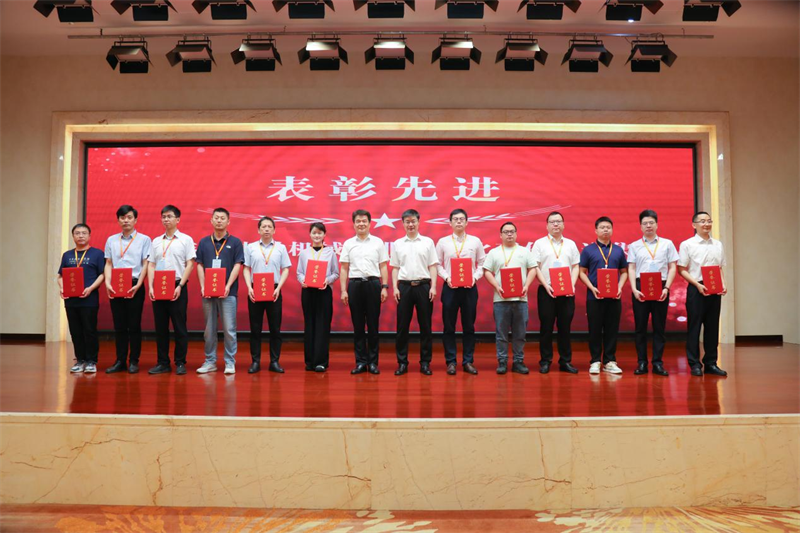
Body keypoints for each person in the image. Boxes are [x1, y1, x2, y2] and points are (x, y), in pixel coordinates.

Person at [627, 209, 679, 377]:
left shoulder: (667, 244)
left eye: (651, 223)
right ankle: (642, 362)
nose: (648, 226)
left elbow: (672, 267)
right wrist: (634, 289)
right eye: (645, 223)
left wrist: (667, 288)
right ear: (640, 226)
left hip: (661, 286)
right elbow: (631, 268)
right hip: (640, 286)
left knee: (659, 327)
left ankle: (657, 362)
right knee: (640, 327)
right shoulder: (634, 245)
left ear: (657, 224)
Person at [678, 211, 728, 377]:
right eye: (702, 221)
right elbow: (681, 269)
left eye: (709, 221)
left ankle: (711, 363)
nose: (706, 224)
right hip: (696, 288)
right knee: (694, 327)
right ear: (694, 225)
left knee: (712, 327)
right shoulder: (687, 244)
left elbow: (719, 268)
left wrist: (723, 284)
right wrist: (697, 285)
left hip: (714, 288)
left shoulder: (718, 244)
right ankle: (694, 364)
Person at [147, 205, 196, 375]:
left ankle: (180, 362)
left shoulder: (186, 240)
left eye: (169, 216)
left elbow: (190, 264)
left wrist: (180, 285)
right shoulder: (156, 241)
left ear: (178, 219)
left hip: (177, 286)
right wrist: (151, 286)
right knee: (161, 327)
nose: (166, 219)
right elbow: (151, 264)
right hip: (159, 287)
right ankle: (163, 362)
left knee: (179, 327)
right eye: (163, 217)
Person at [483, 222, 538, 375]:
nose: (509, 234)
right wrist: (496, 286)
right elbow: (486, 271)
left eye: (512, 231)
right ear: (500, 235)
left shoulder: (524, 251)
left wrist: (526, 285)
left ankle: (518, 361)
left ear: (516, 234)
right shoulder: (494, 252)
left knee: (520, 334)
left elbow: (533, 269)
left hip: (521, 299)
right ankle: (502, 361)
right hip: (500, 300)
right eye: (506, 232)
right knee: (501, 334)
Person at [102, 205, 152, 374]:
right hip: (116, 284)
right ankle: (120, 360)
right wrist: (108, 283)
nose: (126, 221)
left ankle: (134, 361)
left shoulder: (144, 239)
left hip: (135, 284)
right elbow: (108, 263)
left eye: (129, 217)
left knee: (134, 325)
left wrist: (139, 284)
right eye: (122, 218)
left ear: (135, 220)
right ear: (118, 220)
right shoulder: (111, 240)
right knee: (119, 326)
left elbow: (146, 263)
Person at [435, 208, 485, 375]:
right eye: (455, 219)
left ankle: (468, 361)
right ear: (450, 223)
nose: (458, 221)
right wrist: (447, 277)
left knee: (469, 326)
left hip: (469, 289)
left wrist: (475, 277)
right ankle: (451, 362)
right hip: (450, 288)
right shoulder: (443, 242)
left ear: (466, 222)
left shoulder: (475, 241)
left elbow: (482, 263)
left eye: (461, 219)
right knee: (449, 326)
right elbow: (437, 264)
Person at [195, 208, 245, 375]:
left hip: (228, 293)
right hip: (208, 293)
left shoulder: (235, 242)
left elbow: (238, 265)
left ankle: (230, 362)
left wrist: (228, 285)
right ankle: (210, 361)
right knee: (209, 329)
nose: (219, 220)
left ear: (228, 221)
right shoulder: (204, 242)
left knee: (229, 329)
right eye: (216, 217)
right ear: (211, 220)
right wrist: (203, 286)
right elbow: (200, 264)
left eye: (222, 218)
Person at [339, 209, 389, 375]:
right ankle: (360, 362)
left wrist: (384, 286)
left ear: (369, 223)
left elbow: (383, 266)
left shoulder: (378, 242)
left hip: (373, 284)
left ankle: (373, 362)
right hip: (355, 285)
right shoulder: (348, 243)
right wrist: (343, 290)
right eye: (358, 221)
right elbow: (344, 268)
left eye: (364, 221)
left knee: (373, 326)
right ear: (354, 224)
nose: (361, 224)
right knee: (358, 326)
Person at [391, 209, 439, 376]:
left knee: (425, 326)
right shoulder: (397, 243)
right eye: (407, 222)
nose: (410, 224)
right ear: (403, 224)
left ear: (419, 222)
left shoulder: (428, 242)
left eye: (413, 221)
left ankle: (425, 363)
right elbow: (395, 268)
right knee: (402, 327)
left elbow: (433, 266)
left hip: (423, 286)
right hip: (404, 287)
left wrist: (433, 287)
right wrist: (395, 287)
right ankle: (402, 363)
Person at [532, 211, 581, 374]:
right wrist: (546, 285)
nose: (556, 224)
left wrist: (571, 285)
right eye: (552, 222)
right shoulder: (539, 244)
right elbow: (535, 267)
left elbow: (575, 266)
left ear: (563, 224)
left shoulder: (570, 244)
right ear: (547, 225)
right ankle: (545, 361)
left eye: (559, 221)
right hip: (546, 291)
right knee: (546, 327)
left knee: (565, 327)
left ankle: (565, 361)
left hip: (566, 292)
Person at [578, 216, 628, 375]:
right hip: (595, 297)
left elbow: (624, 272)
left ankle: (610, 361)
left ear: (612, 230)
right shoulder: (588, 250)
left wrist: (619, 287)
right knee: (594, 329)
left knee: (612, 329)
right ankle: (595, 361)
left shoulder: (618, 250)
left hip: (614, 297)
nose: (605, 230)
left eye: (608, 227)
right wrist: (592, 288)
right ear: (596, 230)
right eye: (602, 227)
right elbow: (581, 272)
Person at [243, 216, 291, 374]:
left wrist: (279, 288)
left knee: (275, 328)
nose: (266, 229)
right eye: (263, 227)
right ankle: (255, 362)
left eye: (269, 226)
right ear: (258, 230)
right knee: (255, 328)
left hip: (274, 290)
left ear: (274, 230)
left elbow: (286, 269)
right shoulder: (250, 247)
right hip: (255, 290)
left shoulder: (280, 248)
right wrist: (249, 287)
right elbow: (246, 268)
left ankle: (274, 362)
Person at [58, 223, 105, 374]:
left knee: (89, 330)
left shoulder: (97, 254)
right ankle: (80, 360)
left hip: (89, 299)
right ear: (73, 236)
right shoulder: (67, 255)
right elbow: (60, 276)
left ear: (89, 236)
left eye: (84, 233)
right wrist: (62, 288)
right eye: (77, 233)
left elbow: (102, 274)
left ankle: (91, 361)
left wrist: (90, 288)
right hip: (71, 300)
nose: (80, 236)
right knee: (75, 331)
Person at [296, 222, 340, 372]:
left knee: (322, 325)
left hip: (324, 291)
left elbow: (336, 273)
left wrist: (327, 280)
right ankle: (309, 361)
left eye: (320, 233)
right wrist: (303, 281)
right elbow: (299, 272)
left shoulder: (330, 253)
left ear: (324, 235)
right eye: (314, 233)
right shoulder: (304, 253)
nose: (317, 235)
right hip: (308, 291)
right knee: (309, 324)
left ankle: (321, 362)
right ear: (310, 234)